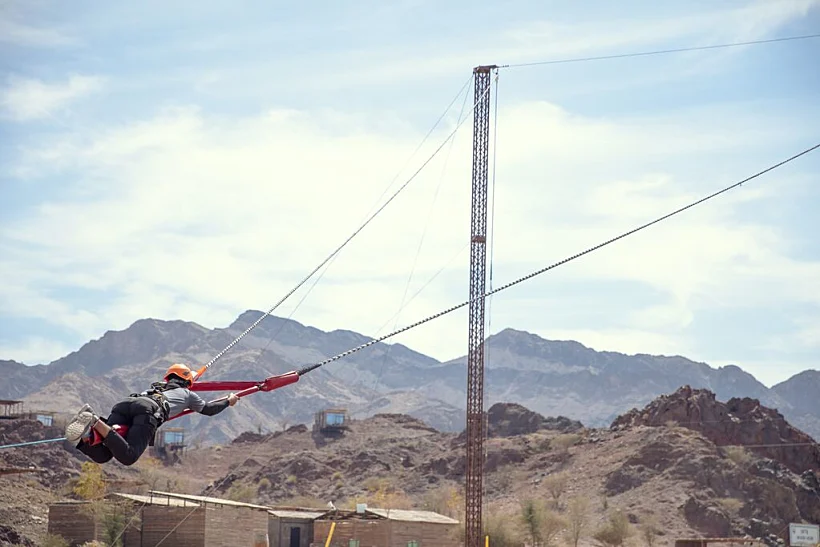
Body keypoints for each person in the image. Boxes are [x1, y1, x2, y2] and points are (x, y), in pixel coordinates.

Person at [64, 363, 239, 466]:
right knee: (128, 456)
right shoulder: (187, 394)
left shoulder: (155, 387)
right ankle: (94, 421)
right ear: (187, 382)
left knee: (104, 455)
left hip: (125, 404)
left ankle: (84, 439)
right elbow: (208, 409)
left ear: (168, 378)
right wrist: (228, 401)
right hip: (148, 411)